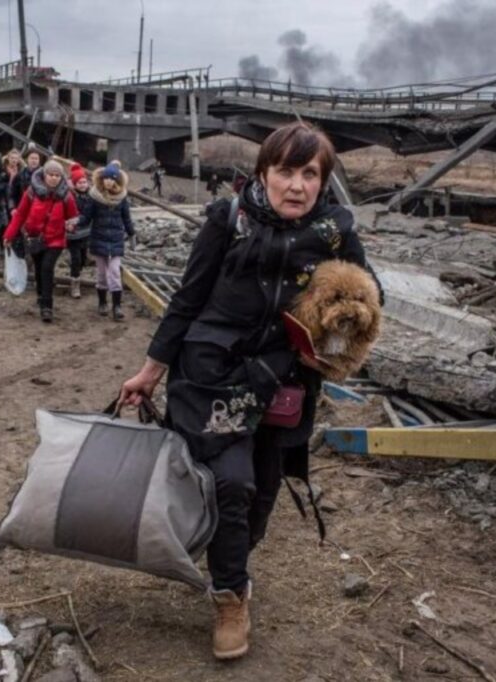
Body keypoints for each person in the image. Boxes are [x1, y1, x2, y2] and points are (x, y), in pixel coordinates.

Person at [118, 122, 382, 660]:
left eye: (310, 174)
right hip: (213, 374)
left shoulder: (335, 232)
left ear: (323, 181)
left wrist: (329, 348)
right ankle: (230, 595)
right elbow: (187, 300)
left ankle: (227, 554)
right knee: (229, 485)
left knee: (261, 493)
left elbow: (370, 303)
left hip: (283, 382)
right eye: (285, 170)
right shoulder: (228, 220)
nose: (296, 185)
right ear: (263, 172)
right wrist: (151, 371)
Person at [3, 160, 78, 323]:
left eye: (57, 175)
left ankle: (47, 306)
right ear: (45, 175)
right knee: (38, 268)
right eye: (51, 175)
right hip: (35, 238)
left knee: (47, 268)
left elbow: (73, 216)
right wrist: (8, 235)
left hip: (56, 239)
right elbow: (21, 214)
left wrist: (72, 226)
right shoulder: (31, 192)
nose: (54, 178)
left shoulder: (66, 195)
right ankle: (40, 294)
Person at [76, 161, 134, 321]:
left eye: (111, 179)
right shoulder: (94, 197)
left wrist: (132, 234)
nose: (108, 181)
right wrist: (75, 222)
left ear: (117, 180)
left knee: (115, 272)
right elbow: (86, 217)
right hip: (99, 238)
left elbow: (126, 218)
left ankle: (117, 306)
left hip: (116, 240)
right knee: (101, 274)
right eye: (106, 178)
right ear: (101, 179)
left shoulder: (122, 198)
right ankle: (102, 302)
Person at [67, 163, 93, 299]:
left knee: (83, 259)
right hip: (73, 234)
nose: (83, 185)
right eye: (80, 182)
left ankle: (77, 273)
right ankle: (75, 282)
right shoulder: (70, 197)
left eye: (84, 182)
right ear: (75, 184)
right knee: (76, 258)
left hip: (86, 232)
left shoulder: (91, 196)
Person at [10, 147, 43, 212]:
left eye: (36, 158)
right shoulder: (20, 174)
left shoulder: (44, 174)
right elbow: (12, 193)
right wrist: (12, 208)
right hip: (22, 208)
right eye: (32, 158)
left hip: (39, 209)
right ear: (27, 159)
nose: (34, 161)